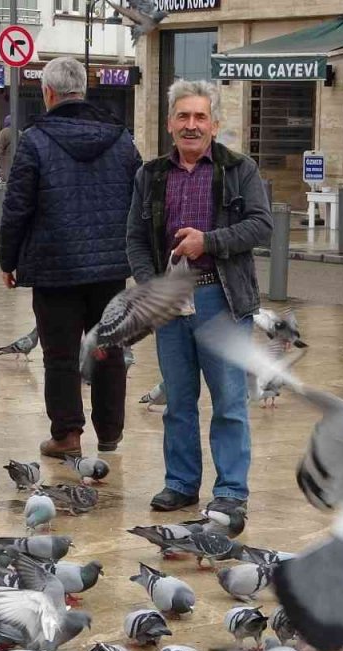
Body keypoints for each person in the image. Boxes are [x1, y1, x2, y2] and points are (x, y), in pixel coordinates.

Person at [125, 79, 272, 518]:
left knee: (229, 402)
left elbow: (262, 226)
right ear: (170, 123)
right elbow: (134, 237)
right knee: (178, 401)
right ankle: (181, 484)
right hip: (171, 307)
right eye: (183, 116)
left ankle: (230, 490)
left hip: (221, 302)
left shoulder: (238, 169)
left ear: (215, 123)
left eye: (200, 117)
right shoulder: (149, 175)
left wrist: (208, 241)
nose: (192, 125)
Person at [0, 56, 142, 459]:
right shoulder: (121, 138)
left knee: (60, 355)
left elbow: (17, 207)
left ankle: (67, 435)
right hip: (110, 268)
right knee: (109, 350)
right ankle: (110, 433)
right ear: (84, 91)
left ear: (48, 93)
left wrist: (7, 260)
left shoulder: (35, 139)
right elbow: (139, 198)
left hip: (54, 268)